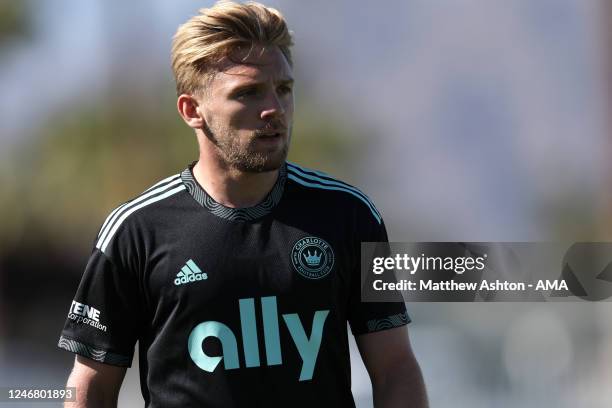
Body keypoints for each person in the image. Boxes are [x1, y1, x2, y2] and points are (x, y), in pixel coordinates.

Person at [58, 2, 428, 407]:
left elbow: (395, 367)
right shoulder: (134, 232)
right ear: (192, 110)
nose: (274, 109)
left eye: (283, 89)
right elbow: (92, 386)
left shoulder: (349, 215)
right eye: (248, 92)